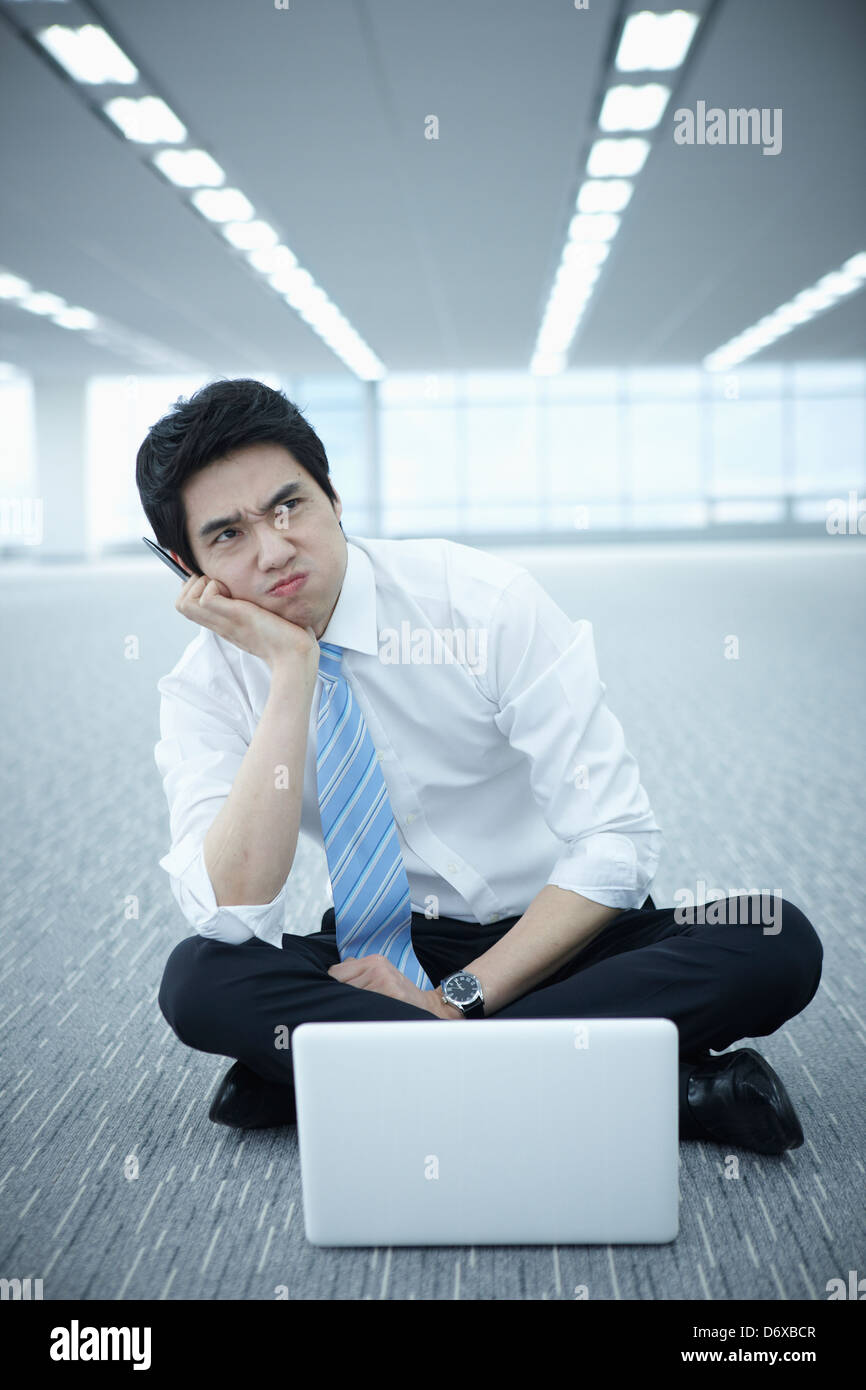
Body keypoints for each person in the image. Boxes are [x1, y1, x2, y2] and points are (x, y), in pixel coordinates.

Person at [136, 378, 823, 1154]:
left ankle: (357, 1069)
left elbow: (615, 842)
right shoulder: (204, 685)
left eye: (289, 505)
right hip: (383, 950)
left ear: (333, 497)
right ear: (184, 566)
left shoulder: (479, 602)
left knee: (773, 938)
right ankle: (667, 1089)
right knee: (200, 980)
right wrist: (291, 674)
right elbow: (233, 910)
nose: (273, 548)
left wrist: (458, 1002)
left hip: (568, 937)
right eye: (227, 535)